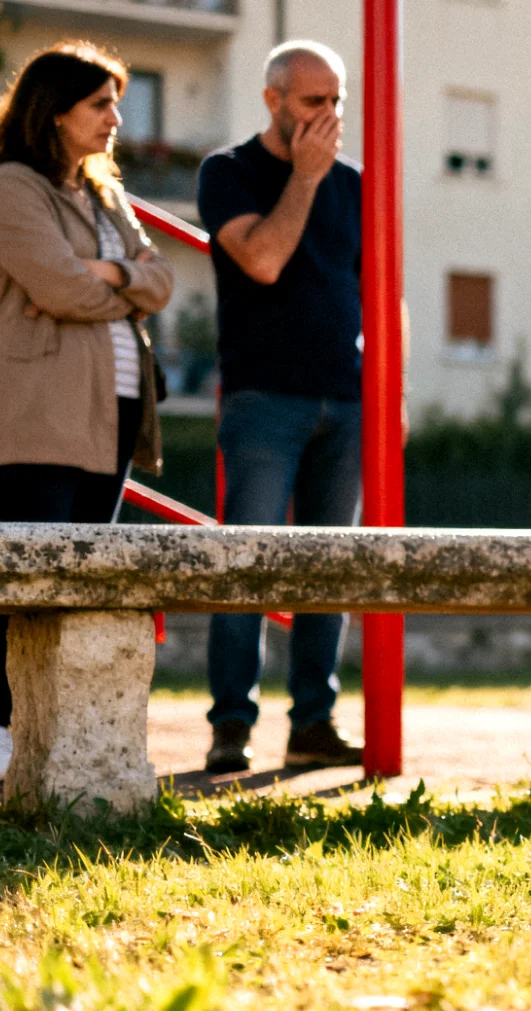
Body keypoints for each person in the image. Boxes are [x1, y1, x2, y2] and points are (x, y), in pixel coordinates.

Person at [0, 40, 173, 769]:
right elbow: (58, 287)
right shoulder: (13, 186)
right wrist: (120, 280)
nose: (115, 118)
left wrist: (109, 271)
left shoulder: (105, 194)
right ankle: (4, 735)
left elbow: (162, 280)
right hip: (40, 417)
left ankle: (54, 746)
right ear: (55, 111)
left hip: (113, 417)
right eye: (100, 103)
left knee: (79, 583)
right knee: (24, 585)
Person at [197, 41, 365, 774]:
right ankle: (231, 723)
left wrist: (392, 391)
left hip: (348, 398)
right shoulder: (227, 173)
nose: (328, 117)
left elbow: (381, 294)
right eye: (312, 102)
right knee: (248, 563)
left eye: (337, 102)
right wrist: (304, 178)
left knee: (329, 568)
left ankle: (314, 721)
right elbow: (262, 259)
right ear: (273, 100)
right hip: (264, 396)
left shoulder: (354, 186)